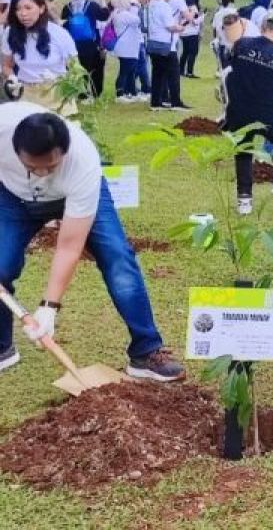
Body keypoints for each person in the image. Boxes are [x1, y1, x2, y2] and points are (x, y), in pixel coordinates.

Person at [0, 104, 185, 380]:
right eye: (31, 167)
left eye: (50, 166)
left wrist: (49, 307)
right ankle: (3, 347)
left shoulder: (82, 159)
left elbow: (69, 246)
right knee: (2, 265)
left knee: (117, 256)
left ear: (63, 151)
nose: (41, 174)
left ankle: (146, 352)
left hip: (73, 195)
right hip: (13, 198)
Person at [224, 13, 273, 214]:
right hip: (268, 113)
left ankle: (244, 201)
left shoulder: (241, 44)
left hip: (238, 110)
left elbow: (230, 67)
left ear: (261, 28)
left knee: (243, 151)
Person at [2, 0, 79, 112]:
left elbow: (76, 69)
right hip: (26, 94)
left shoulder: (59, 34)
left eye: (28, 8)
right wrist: (12, 78)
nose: (23, 13)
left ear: (42, 8)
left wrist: (65, 85)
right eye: (18, 9)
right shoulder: (10, 33)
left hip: (56, 93)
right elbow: (7, 65)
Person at [60, 0, 111, 98]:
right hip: (91, 43)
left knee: (78, 69)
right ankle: (96, 93)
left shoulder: (67, 7)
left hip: (74, 44)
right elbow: (104, 15)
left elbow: (64, 25)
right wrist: (102, 0)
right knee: (96, 68)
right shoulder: (91, 5)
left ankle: (80, 94)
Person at [146, 0, 189, 111]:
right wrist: (180, 28)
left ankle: (156, 102)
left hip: (153, 42)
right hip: (165, 45)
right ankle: (176, 102)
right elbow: (170, 26)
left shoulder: (150, 4)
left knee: (157, 74)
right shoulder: (163, 6)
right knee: (174, 74)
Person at [108, 0, 146, 103]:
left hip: (125, 47)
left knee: (130, 71)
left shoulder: (116, 13)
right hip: (127, 48)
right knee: (125, 71)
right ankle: (120, 93)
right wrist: (136, 7)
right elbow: (137, 20)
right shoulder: (124, 14)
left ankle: (131, 92)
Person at [178, 0, 203, 79]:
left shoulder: (184, 6)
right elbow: (195, 21)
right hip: (192, 33)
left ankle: (181, 70)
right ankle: (189, 72)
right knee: (193, 52)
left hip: (183, 32)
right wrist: (203, 16)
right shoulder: (194, 7)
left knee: (185, 52)